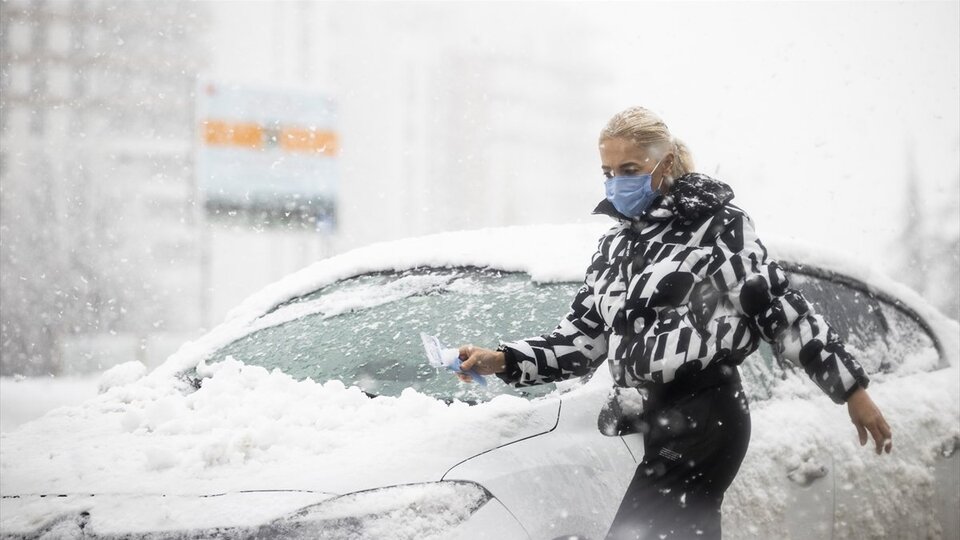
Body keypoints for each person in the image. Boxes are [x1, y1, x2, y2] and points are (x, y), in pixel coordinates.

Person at [455, 106, 893, 540]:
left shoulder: (717, 227)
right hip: (655, 416)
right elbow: (581, 340)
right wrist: (503, 360)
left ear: (664, 164)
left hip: (707, 411)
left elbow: (778, 310)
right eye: (608, 172)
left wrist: (851, 390)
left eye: (629, 169)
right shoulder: (614, 247)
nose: (616, 182)